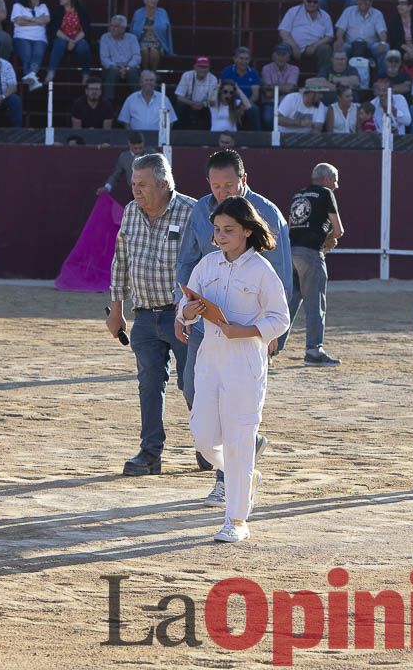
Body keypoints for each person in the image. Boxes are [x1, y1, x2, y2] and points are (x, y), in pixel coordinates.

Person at [175, 149, 292, 504]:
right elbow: (187, 262)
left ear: (243, 179)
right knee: (192, 391)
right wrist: (183, 312)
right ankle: (244, 457)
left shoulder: (267, 213)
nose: (222, 192)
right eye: (215, 185)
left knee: (235, 410)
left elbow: (280, 279)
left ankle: (229, 480)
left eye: (229, 185)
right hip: (204, 327)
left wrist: (272, 335)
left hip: (248, 333)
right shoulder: (200, 209)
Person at [105, 152, 196, 476]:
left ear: (163, 183)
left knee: (193, 383)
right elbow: (121, 262)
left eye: (142, 184)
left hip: (184, 317)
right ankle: (150, 453)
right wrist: (115, 309)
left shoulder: (192, 211)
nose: (136, 190)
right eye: (133, 184)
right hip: (143, 316)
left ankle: (207, 445)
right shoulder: (130, 212)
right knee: (148, 385)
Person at [286, 163, 343, 366]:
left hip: (291, 253)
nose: (337, 185)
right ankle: (314, 350)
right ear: (326, 179)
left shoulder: (298, 195)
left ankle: (271, 348)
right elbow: (338, 230)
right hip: (311, 254)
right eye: (335, 179)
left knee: (289, 304)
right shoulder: (326, 193)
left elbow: (290, 228)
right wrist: (328, 241)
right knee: (315, 304)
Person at [278, 0, 334, 73]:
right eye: (309, 1)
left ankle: (322, 79)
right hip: (293, 46)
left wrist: (314, 45)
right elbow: (283, 32)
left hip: (315, 48)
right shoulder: (293, 11)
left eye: (315, 2)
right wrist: (294, 47)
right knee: (282, 48)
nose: (312, 4)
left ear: (319, 2)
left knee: (325, 49)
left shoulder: (325, 16)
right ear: (304, 0)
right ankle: (282, 81)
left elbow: (329, 36)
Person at [334, 0, 389, 76]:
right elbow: (340, 29)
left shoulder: (377, 13)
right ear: (357, 1)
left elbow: (382, 31)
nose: (363, 2)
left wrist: (382, 42)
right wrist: (339, 39)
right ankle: (341, 76)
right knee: (341, 47)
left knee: (385, 47)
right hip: (351, 45)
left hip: (370, 46)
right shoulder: (348, 11)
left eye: (366, 0)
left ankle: (382, 77)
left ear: (371, 2)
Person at [46, 0, 91, 85]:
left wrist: (74, 41)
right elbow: (54, 29)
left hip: (78, 39)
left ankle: (86, 74)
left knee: (83, 46)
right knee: (59, 43)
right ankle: (51, 72)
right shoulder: (57, 10)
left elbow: (85, 29)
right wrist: (69, 40)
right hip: (62, 38)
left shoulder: (81, 10)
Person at [11, 0, 50, 90]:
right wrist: (37, 20)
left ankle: (31, 77)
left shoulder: (43, 6)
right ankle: (32, 79)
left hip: (39, 38)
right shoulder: (17, 6)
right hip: (22, 37)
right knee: (27, 55)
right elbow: (19, 21)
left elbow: (46, 19)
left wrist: (27, 19)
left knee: (38, 54)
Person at [130, 0, 173, 73]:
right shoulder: (138, 13)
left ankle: (153, 74)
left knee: (154, 51)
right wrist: (144, 28)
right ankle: (145, 72)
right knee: (144, 50)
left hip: (158, 41)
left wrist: (155, 28)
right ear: (145, 0)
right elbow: (134, 30)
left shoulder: (162, 12)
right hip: (141, 41)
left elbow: (165, 28)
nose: (153, 1)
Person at [100, 15, 141, 104]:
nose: (112, 28)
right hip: (112, 67)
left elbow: (137, 56)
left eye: (116, 26)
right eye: (111, 26)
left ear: (123, 28)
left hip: (129, 67)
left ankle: (138, 101)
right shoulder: (105, 37)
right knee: (112, 70)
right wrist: (118, 68)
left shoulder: (132, 38)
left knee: (132, 71)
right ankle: (108, 103)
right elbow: (104, 59)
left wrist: (127, 68)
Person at [220, 46, 261, 130]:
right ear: (234, 59)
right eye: (241, 58)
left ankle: (258, 137)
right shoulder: (227, 71)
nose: (244, 61)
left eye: (246, 59)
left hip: (247, 102)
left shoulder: (253, 73)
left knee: (253, 109)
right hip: (230, 101)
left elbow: (255, 95)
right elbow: (222, 91)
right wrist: (234, 105)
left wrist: (244, 106)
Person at [173, 56, 219, 129]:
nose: (202, 69)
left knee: (210, 109)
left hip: (204, 106)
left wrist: (201, 104)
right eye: (200, 67)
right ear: (195, 67)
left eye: (205, 67)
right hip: (188, 104)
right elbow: (179, 97)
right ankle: (179, 130)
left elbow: (212, 101)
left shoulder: (213, 79)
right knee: (180, 105)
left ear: (209, 68)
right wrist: (192, 103)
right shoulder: (187, 75)